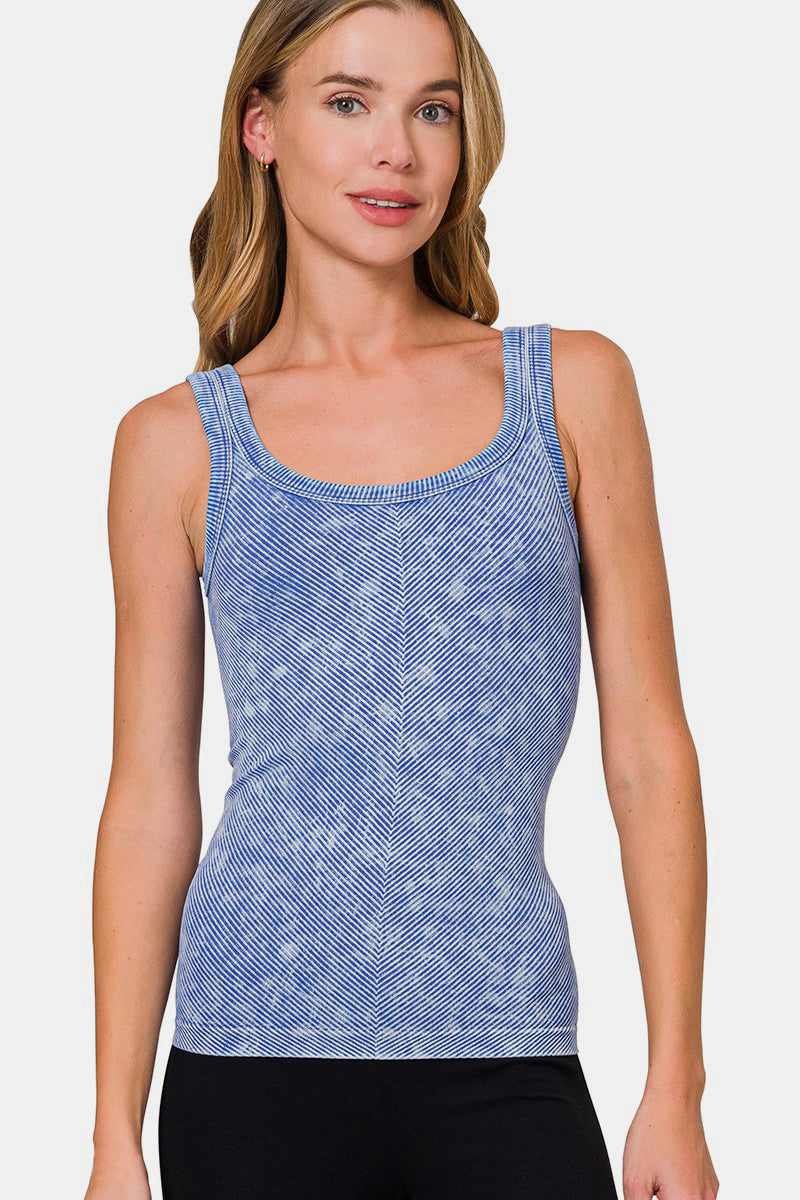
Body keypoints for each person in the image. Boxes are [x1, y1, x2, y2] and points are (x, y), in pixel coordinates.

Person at [84, 1, 719, 1198]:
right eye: (348, 102)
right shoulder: (176, 443)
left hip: (507, 1055)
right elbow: (150, 797)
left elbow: (646, 753)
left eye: (433, 109)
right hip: (246, 1065)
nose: (398, 150)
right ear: (260, 127)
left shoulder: (569, 390)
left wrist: (673, 1083)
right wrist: (114, 1133)